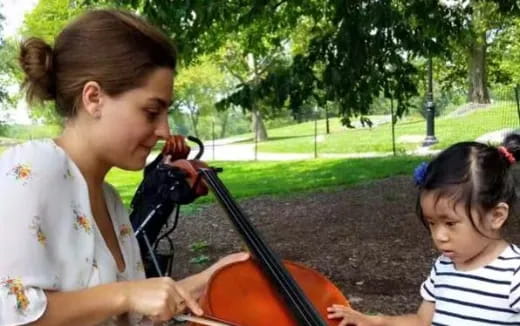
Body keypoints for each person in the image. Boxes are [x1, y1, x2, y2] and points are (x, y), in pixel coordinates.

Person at [0, 9, 248, 326]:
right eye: (151, 111)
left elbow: (134, 314)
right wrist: (125, 293)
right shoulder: (31, 169)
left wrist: (212, 277)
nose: (164, 130)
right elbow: (10, 311)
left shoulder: (111, 201)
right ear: (94, 99)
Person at [328, 135, 520, 326]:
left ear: (496, 216)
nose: (439, 236)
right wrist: (375, 321)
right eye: (432, 223)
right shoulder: (444, 266)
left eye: (450, 223)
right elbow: (421, 321)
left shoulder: (514, 275)